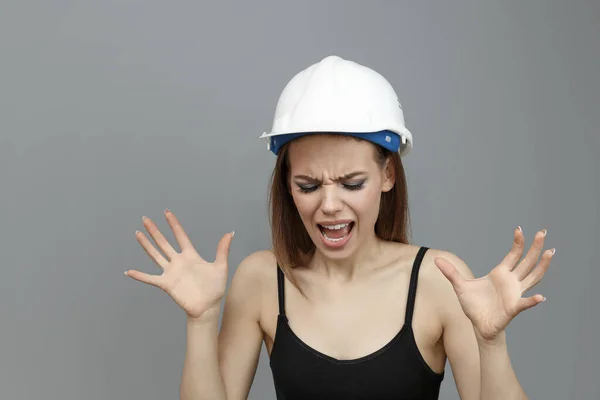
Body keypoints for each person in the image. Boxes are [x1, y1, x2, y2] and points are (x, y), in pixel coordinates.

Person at [125, 56, 554, 400]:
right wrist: (201, 322)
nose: (329, 205)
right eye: (308, 186)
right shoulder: (261, 280)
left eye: (352, 184)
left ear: (388, 176)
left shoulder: (439, 279)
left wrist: (491, 342)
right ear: (287, 186)